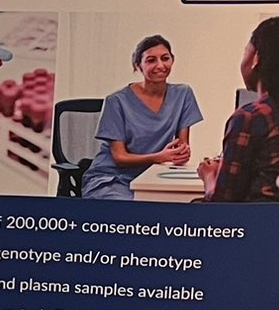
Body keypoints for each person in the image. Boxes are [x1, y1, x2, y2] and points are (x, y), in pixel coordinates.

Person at [80, 34, 203, 200]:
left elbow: (180, 149)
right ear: (138, 66)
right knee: (132, 214)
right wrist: (159, 157)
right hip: (112, 179)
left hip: (152, 177)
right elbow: (119, 157)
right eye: (151, 60)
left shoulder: (183, 94)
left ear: (172, 60)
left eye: (165, 58)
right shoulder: (116, 101)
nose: (160, 65)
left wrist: (181, 154)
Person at [199, 15, 279, 203]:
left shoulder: (251, 117)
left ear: (255, 58)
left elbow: (222, 202)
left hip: (252, 226)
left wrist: (209, 176)